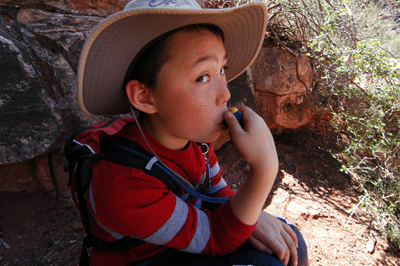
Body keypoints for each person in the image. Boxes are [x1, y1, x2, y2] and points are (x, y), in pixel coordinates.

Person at [77, 0, 308, 265]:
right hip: (146, 258)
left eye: (222, 70)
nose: (226, 93)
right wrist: (265, 168)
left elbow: (216, 194)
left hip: (187, 236)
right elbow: (215, 238)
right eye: (203, 77)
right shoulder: (122, 185)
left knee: (293, 245)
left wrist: (251, 214)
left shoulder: (195, 142)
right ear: (145, 97)